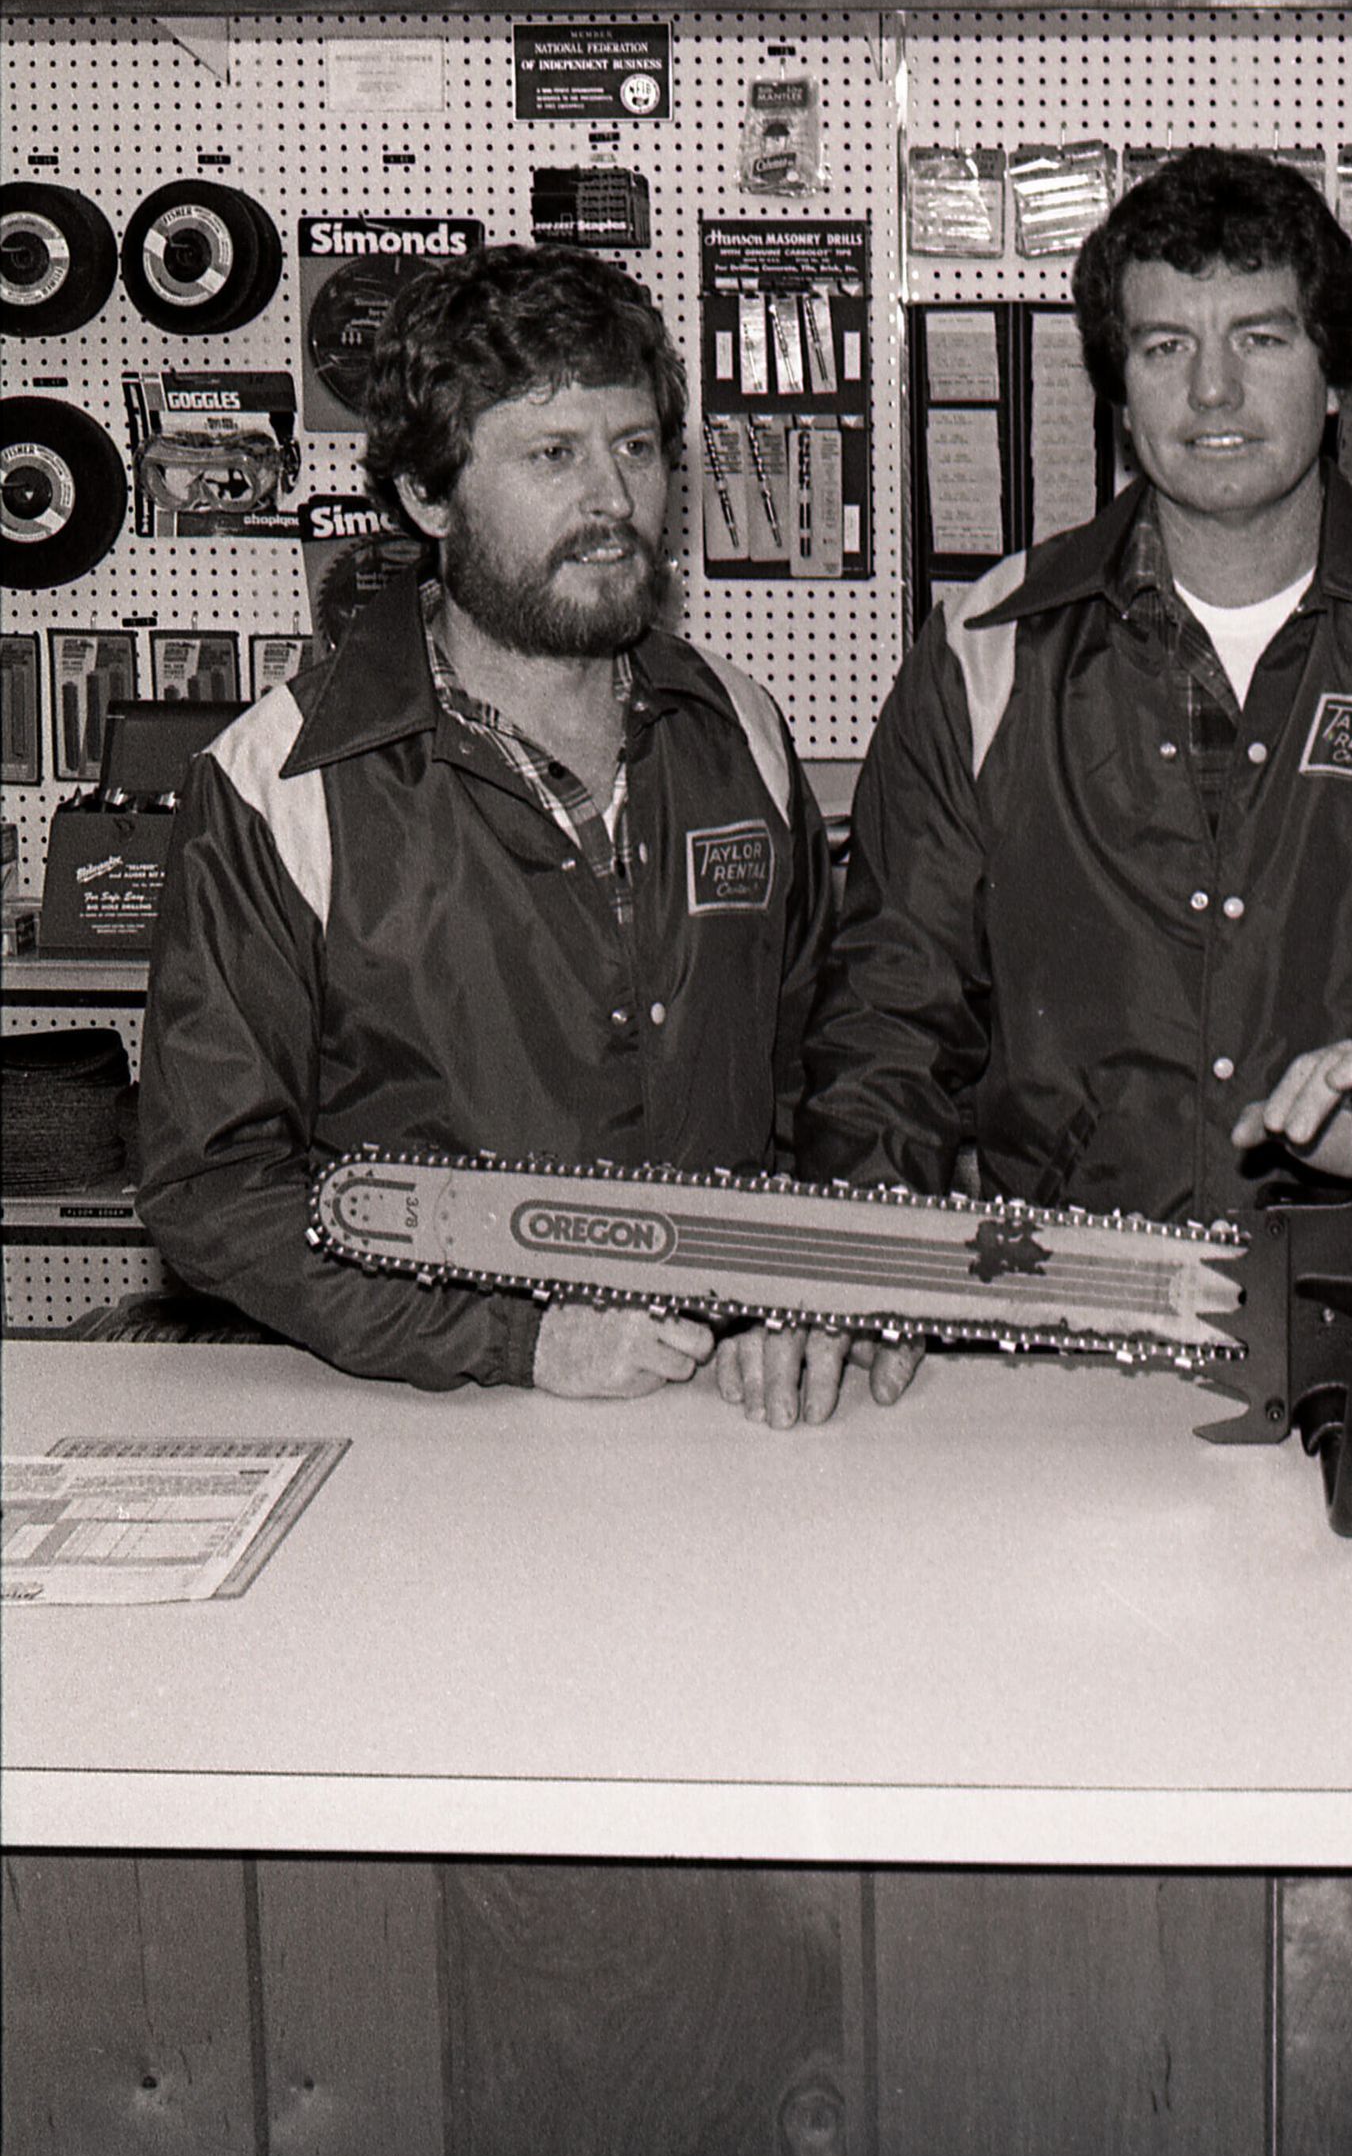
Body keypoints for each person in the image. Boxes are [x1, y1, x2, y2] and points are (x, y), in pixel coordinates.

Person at [719, 146, 1352, 1425]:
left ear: (1337, 376)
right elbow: (892, 1009)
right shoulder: (989, 645)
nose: (1215, 389)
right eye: (1166, 345)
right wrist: (860, 1263)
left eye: (1262, 337)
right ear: (1119, 391)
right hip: (1052, 1334)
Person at [139, 246, 899, 1415]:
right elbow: (215, 1185)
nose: (614, 501)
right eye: (553, 454)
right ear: (426, 496)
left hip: (726, 1409)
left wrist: (813, 1284)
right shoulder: (277, 784)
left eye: (635, 446)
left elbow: (819, 1065)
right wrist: (518, 1338)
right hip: (440, 1416)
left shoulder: (737, 728)